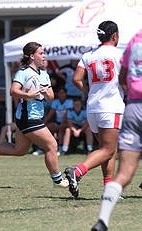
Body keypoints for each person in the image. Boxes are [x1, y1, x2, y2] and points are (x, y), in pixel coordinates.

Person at [0, 42, 69, 188]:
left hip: (34, 116)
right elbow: (13, 91)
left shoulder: (44, 74)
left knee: (19, 150)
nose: (44, 56)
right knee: (52, 145)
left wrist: (44, 91)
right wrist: (28, 95)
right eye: (41, 53)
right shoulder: (23, 72)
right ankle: (57, 180)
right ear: (32, 56)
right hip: (27, 117)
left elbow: (51, 96)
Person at [64, 21, 125, 198]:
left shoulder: (88, 55)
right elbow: (125, 80)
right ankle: (77, 171)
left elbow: (76, 78)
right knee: (107, 149)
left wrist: (88, 90)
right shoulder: (119, 55)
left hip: (92, 108)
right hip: (111, 106)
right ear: (114, 36)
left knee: (107, 149)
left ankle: (109, 189)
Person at [91, 29, 142, 231]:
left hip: (132, 108)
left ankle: (102, 221)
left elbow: (122, 77)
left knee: (124, 173)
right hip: (112, 109)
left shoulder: (135, 40)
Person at [43, 88, 73, 154]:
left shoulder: (69, 102)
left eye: (63, 93)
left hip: (66, 123)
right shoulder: (55, 102)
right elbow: (50, 114)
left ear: (66, 94)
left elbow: (67, 115)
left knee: (62, 130)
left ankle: (62, 149)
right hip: (57, 122)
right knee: (46, 128)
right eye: (60, 93)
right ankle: (44, 148)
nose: (61, 94)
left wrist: (61, 124)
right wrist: (44, 123)